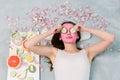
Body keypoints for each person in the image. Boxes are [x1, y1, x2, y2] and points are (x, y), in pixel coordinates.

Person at [25, 21, 115, 80]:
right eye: (64, 31)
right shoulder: (54, 53)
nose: (68, 33)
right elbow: (28, 45)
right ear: (60, 37)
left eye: (72, 30)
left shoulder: (87, 53)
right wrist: (50, 32)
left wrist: (85, 29)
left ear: (78, 36)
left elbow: (110, 38)